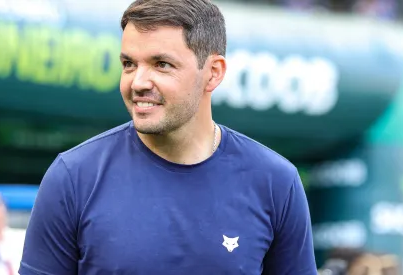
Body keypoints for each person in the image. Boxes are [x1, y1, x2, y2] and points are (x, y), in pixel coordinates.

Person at [19, 0, 317, 274]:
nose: (138, 82)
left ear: (213, 72)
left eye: (161, 64)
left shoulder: (275, 182)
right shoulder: (74, 176)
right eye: (129, 64)